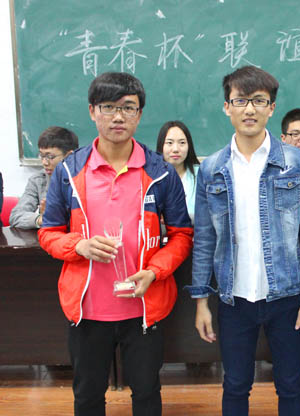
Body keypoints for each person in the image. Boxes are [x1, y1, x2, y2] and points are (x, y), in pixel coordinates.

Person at [38, 72, 193, 416]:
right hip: (87, 309)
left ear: (139, 114)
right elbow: (48, 233)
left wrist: (154, 272)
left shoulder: (161, 172)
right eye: (108, 107)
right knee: (88, 396)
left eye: (128, 107)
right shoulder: (68, 172)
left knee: (147, 395)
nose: (118, 116)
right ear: (92, 111)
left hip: (143, 308)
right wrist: (78, 246)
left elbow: (182, 235)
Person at [188, 65, 300, 416]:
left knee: (290, 384)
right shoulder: (212, 168)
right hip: (234, 299)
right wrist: (201, 301)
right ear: (227, 107)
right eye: (241, 100)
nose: (249, 109)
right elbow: (204, 239)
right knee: (235, 384)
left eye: (259, 101)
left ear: (271, 108)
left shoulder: (295, 162)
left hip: (287, 297)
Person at [10, 126, 78, 229]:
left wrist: (57, 217)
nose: (44, 162)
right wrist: (42, 219)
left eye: (50, 157)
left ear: (69, 156)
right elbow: (16, 216)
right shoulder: (38, 180)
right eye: (41, 156)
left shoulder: (86, 179)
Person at [156, 120, 200, 221]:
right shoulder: (150, 177)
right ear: (161, 145)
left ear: (189, 146)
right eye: (169, 143)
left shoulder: (201, 175)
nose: (175, 149)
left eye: (182, 143)